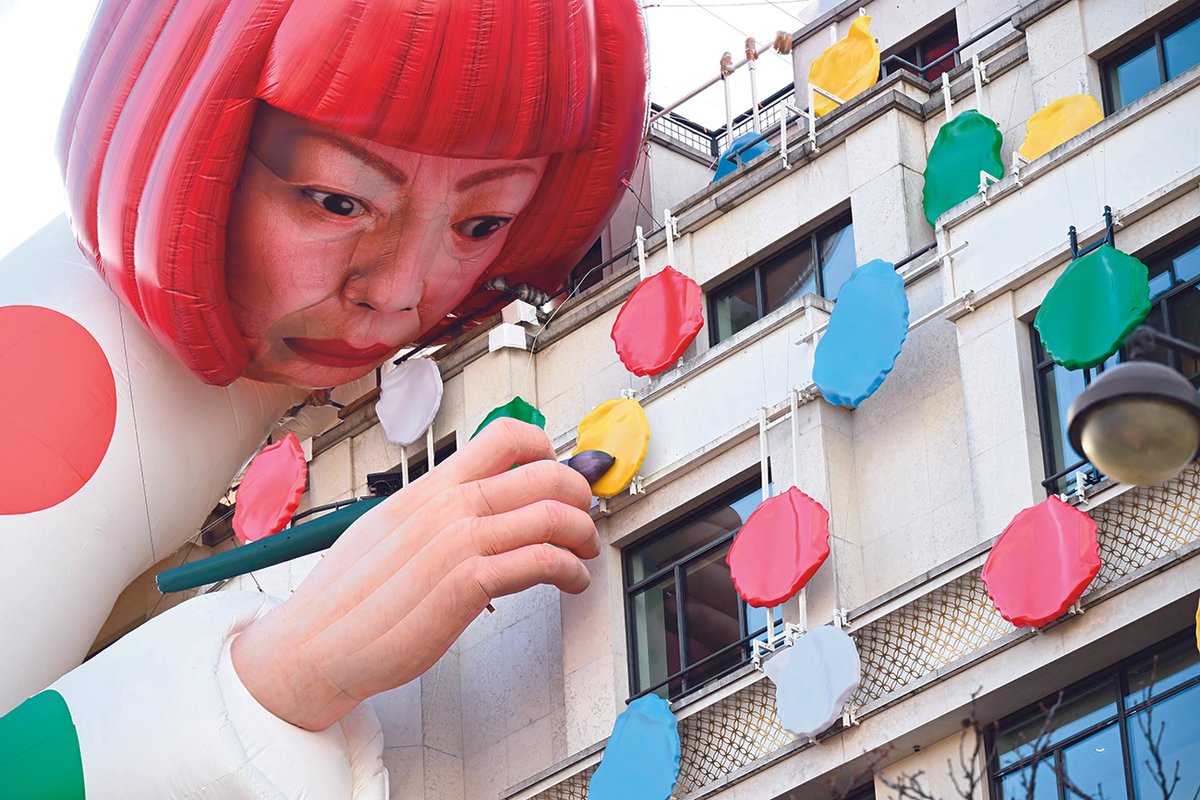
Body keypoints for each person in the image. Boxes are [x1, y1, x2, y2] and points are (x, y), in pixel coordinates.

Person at [0, 0, 647, 796]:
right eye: (337, 200)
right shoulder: (50, 381)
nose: (403, 292)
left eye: (481, 224)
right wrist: (272, 681)